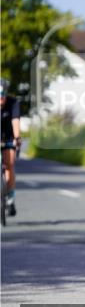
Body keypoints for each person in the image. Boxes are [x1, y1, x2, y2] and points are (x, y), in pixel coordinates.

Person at [1, 81, 22, 216]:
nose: (0, 98)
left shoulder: (13, 103)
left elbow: (15, 122)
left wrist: (17, 138)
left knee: (10, 164)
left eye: (3, 95)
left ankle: (10, 197)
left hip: (8, 137)